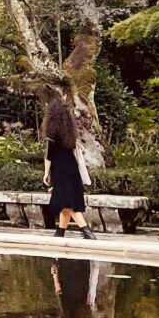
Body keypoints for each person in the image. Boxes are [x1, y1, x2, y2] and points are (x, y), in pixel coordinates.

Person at [40, 95, 93, 239]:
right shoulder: (70, 133)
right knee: (65, 200)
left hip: (60, 169)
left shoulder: (52, 133)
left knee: (66, 201)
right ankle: (60, 231)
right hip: (72, 166)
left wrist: (46, 173)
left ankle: (86, 230)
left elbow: (49, 155)